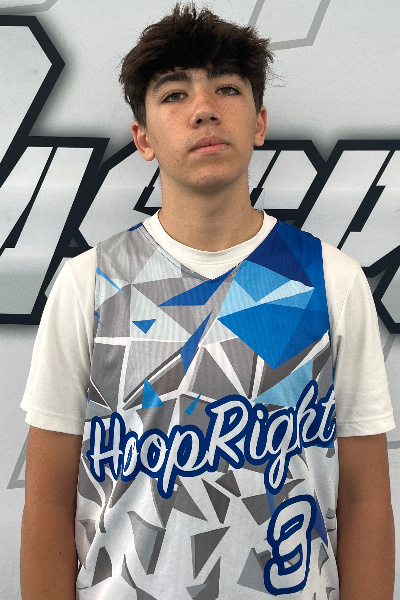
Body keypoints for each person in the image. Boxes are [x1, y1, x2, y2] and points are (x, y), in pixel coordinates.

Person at [20, 3, 396, 599]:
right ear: (143, 138)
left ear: (259, 123)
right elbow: (46, 502)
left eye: (227, 88)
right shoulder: (88, 282)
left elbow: (365, 498)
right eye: (174, 95)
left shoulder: (331, 280)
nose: (203, 109)